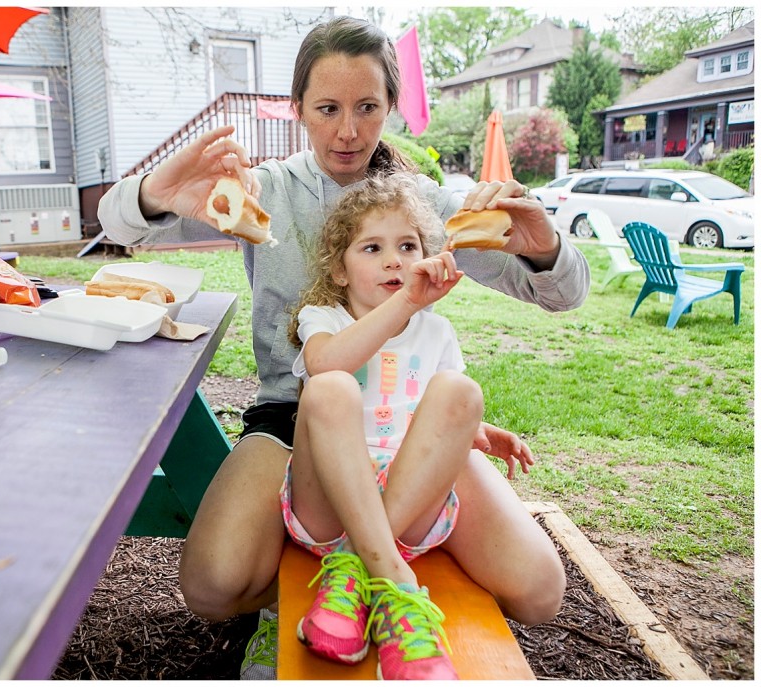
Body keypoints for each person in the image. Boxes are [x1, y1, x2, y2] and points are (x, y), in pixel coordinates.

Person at [98, 15, 589, 680]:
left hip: (409, 422)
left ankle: (359, 568)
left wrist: (545, 246)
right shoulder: (263, 190)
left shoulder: (426, 207)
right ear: (297, 108)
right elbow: (117, 226)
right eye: (327, 109)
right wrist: (156, 197)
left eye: (367, 107)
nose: (348, 131)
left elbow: (562, 293)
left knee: (539, 588)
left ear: (391, 106)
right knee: (213, 585)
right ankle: (321, 585)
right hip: (295, 418)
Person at [285, 173, 534, 679]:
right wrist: (406, 304)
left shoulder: (436, 330)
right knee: (332, 386)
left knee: (461, 392)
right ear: (338, 269)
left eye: (407, 245)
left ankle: (359, 568)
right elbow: (326, 366)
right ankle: (398, 587)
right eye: (372, 247)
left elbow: (441, 419)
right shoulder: (324, 317)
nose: (394, 260)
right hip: (331, 502)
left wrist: (482, 432)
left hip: (409, 508)